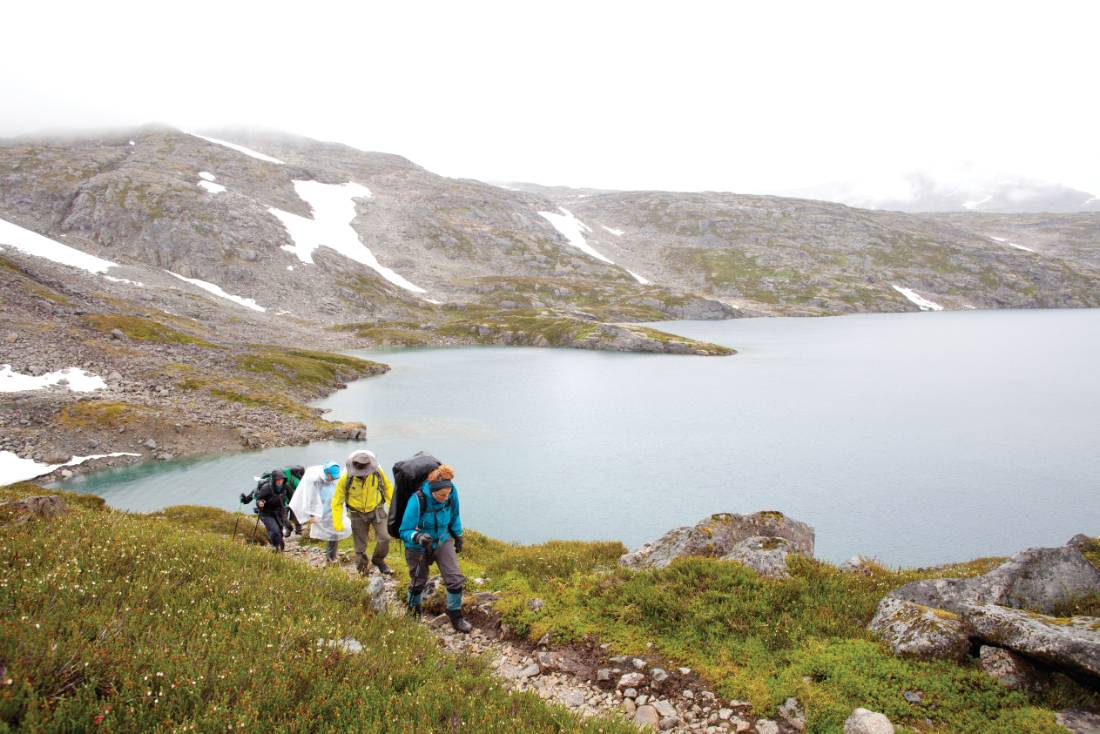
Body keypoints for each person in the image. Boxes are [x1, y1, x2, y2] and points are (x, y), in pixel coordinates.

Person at [399, 464, 470, 633]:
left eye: (447, 494)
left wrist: (458, 535)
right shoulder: (417, 500)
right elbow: (404, 530)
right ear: (431, 491)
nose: (445, 498)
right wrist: (418, 537)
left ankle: (455, 615)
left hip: (442, 540)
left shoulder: (451, 493)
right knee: (418, 582)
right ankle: (413, 611)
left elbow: (454, 515)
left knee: (454, 578)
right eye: (441, 495)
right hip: (418, 546)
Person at [332, 449, 395, 576]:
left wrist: (394, 508)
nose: (364, 474)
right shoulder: (346, 478)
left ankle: (378, 559)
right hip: (357, 514)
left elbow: (388, 488)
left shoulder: (377, 473)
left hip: (377, 509)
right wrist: (337, 521)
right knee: (360, 547)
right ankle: (362, 570)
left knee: (385, 537)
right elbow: (337, 500)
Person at [288, 461, 351, 562]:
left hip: (335, 511)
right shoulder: (316, 482)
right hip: (322, 514)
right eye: (333, 476)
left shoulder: (336, 479)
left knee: (334, 534)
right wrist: (310, 516)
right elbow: (309, 499)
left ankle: (331, 557)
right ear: (328, 474)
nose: (335, 478)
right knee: (332, 534)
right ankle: (330, 558)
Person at [253, 469, 289, 551]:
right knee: (275, 530)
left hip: (279, 512)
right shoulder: (266, 488)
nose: (280, 482)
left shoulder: (285, 487)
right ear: (274, 480)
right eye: (278, 480)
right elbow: (259, 499)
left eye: (281, 479)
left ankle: (277, 545)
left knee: (279, 532)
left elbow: (292, 497)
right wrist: (260, 503)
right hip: (266, 513)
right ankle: (275, 547)